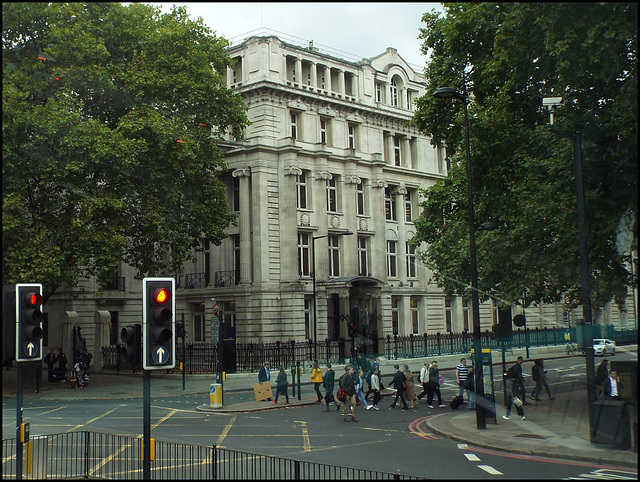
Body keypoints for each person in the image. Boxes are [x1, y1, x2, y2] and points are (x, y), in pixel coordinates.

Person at [503, 356, 526, 420]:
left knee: (509, 405)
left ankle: (507, 416)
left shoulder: (510, 380)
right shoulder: (517, 368)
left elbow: (510, 389)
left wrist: (511, 395)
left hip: (512, 394)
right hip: (515, 392)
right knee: (517, 404)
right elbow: (519, 376)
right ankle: (522, 415)